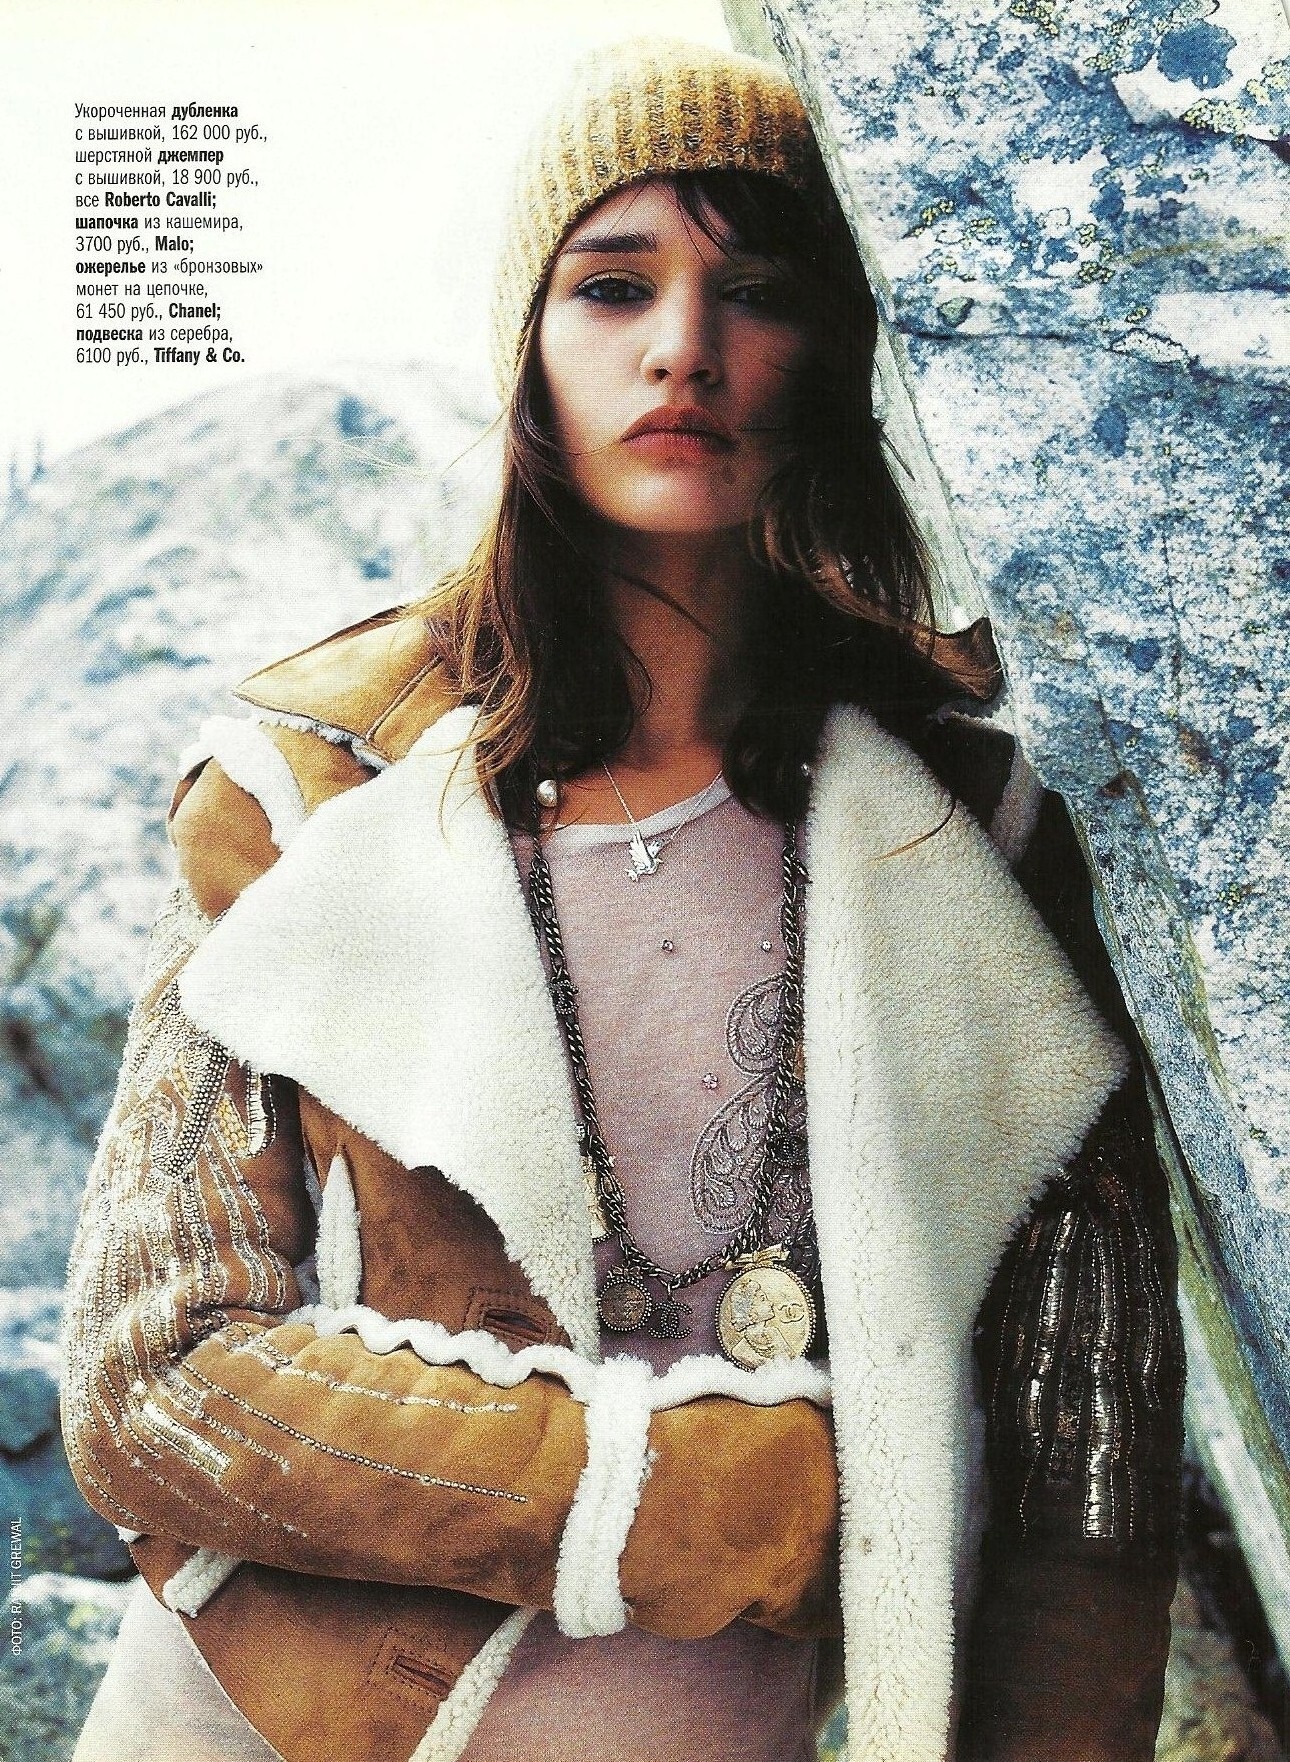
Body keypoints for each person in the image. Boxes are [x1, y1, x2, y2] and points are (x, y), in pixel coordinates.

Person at [61, 36, 1184, 1762]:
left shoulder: (977, 835)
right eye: (610, 287)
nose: (683, 349)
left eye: (758, 291)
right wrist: (689, 1492)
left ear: (838, 349)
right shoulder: (310, 787)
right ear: (526, 341)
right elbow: (148, 1379)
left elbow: (1086, 1471)